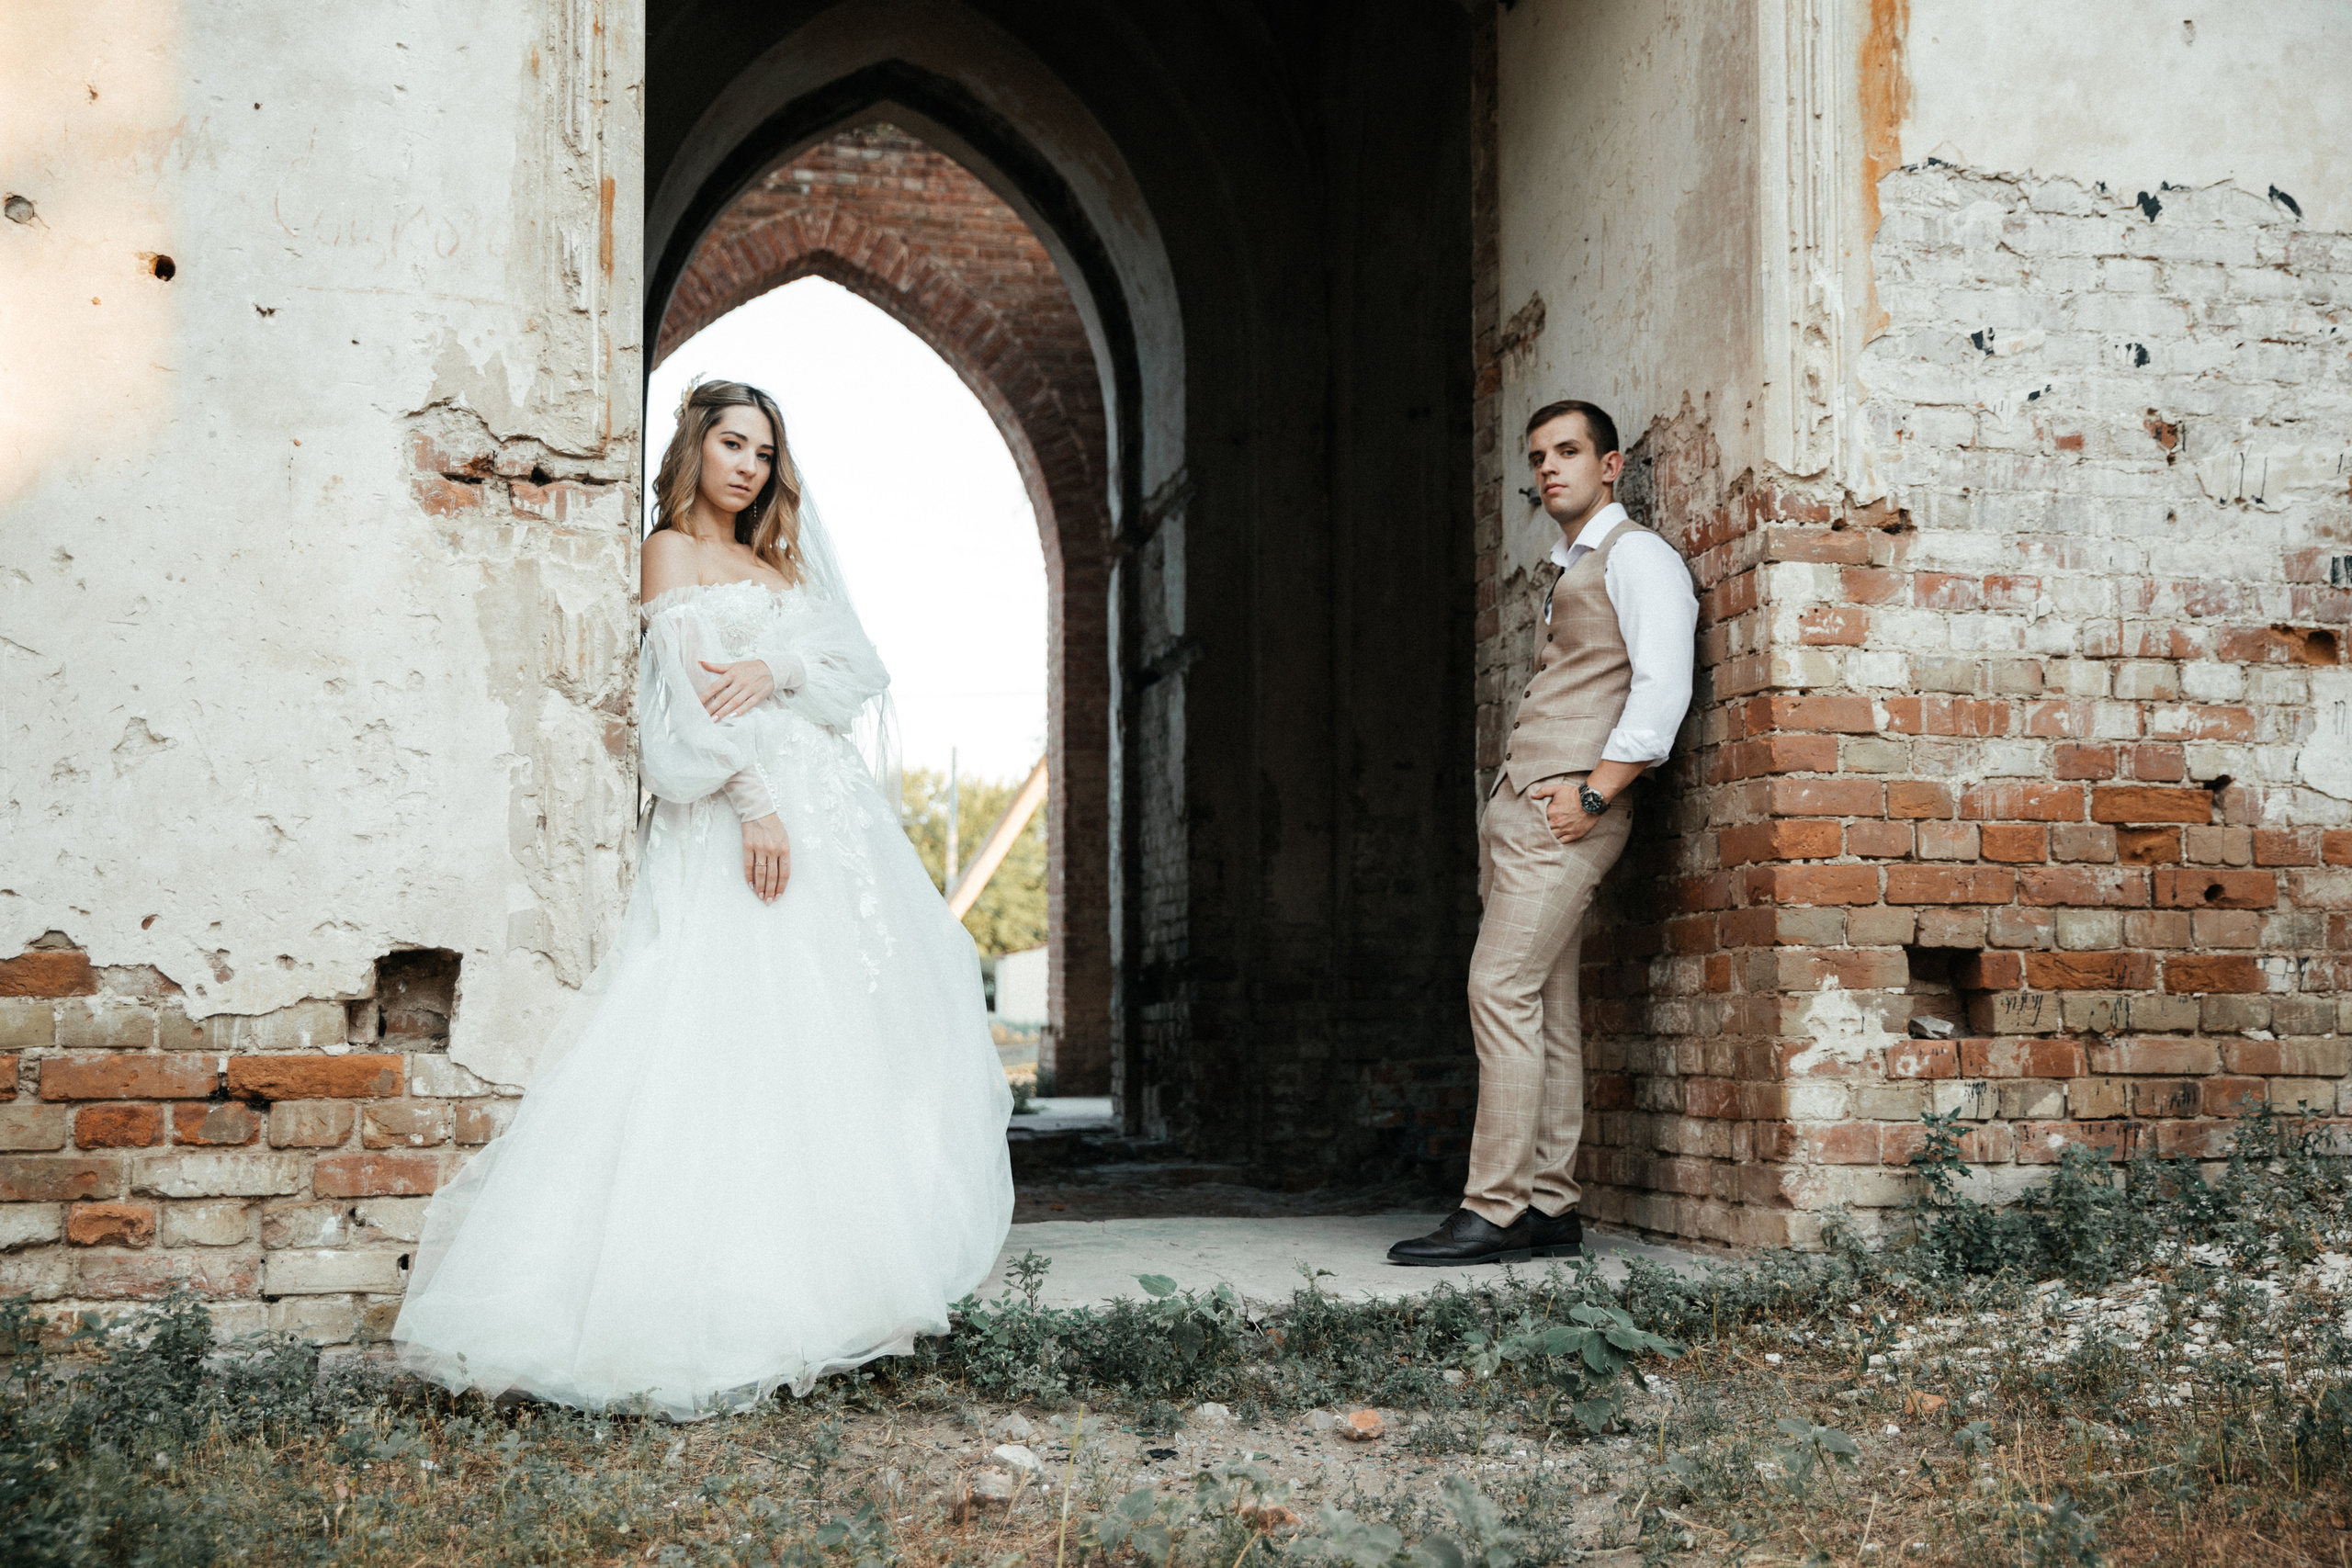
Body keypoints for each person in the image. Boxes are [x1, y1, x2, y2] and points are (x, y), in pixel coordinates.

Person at [392, 379, 1014, 1416]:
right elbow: (675, 697)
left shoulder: (778, 560)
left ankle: (846, 1273)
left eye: (765, 453)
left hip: (832, 822)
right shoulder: (670, 550)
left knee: (830, 1025)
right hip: (741, 815)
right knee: (723, 1023)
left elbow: (854, 670)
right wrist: (754, 800)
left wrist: (776, 666)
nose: (748, 467)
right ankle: (718, 1293)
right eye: (733, 444)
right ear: (696, 446)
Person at [1389, 400, 1697, 1267]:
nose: (1549, 468)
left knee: (1497, 989)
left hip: (1570, 810)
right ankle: (1552, 1204)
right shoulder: (1571, 565)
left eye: (1568, 451)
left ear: (1612, 464)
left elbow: (1661, 686)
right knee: (1546, 1004)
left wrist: (1596, 796)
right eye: (1538, 456)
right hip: (1528, 810)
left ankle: (1493, 1207)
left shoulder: (1638, 557)